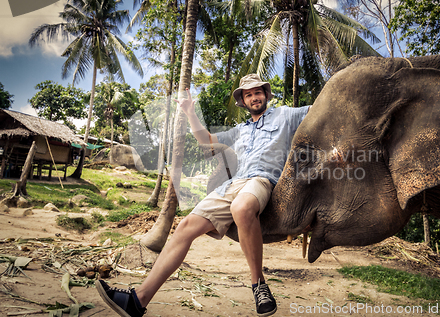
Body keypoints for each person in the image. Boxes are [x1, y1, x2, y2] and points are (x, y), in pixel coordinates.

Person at [96, 74, 310, 317]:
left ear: (266, 94)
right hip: (233, 184)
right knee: (185, 226)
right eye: (248, 94)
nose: (254, 97)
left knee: (241, 208)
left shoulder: (286, 115)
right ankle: (137, 300)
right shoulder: (240, 130)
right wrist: (189, 111)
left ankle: (258, 285)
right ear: (243, 101)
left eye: (257, 92)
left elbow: (322, 109)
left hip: (262, 181)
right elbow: (206, 141)